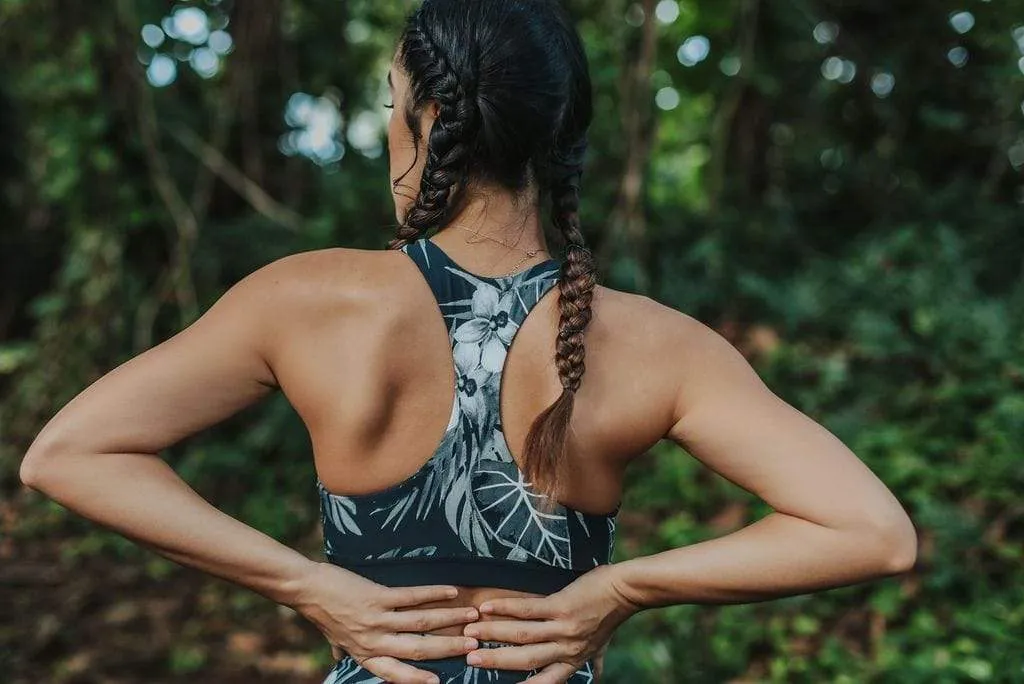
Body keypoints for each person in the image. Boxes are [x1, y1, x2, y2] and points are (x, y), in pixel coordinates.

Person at [18, 0, 918, 682]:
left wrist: (307, 584)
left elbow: (69, 454)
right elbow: (872, 531)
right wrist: (619, 588)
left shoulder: (305, 300)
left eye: (389, 106)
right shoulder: (656, 344)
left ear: (431, 122)